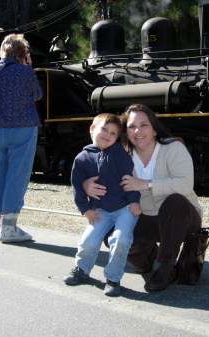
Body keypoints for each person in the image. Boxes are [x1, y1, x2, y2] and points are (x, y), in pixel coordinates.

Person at [83, 103, 203, 292]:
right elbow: (102, 180)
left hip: (181, 219)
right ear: (126, 132)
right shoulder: (122, 155)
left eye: (144, 125)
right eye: (131, 126)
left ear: (154, 129)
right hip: (145, 218)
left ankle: (165, 268)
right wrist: (86, 185)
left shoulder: (173, 148)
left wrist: (146, 184)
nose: (137, 131)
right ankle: (146, 261)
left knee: (175, 201)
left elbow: (185, 184)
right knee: (110, 228)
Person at [0, 34, 42, 243]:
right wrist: (28, 65)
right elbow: (37, 94)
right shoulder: (26, 71)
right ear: (23, 54)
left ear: (1, 52)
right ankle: (9, 228)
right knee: (16, 176)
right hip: (23, 128)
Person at [63, 113, 141, 297]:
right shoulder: (82, 158)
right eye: (104, 129)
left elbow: (128, 179)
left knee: (120, 240)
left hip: (124, 208)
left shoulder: (119, 154)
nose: (108, 135)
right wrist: (86, 210)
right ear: (92, 129)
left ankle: (113, 278)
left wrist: (134, 201)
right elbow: (77, 187)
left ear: (117, 138)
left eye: (113, 133)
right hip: (99, 210)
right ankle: (82, 270)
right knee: (88, 241)